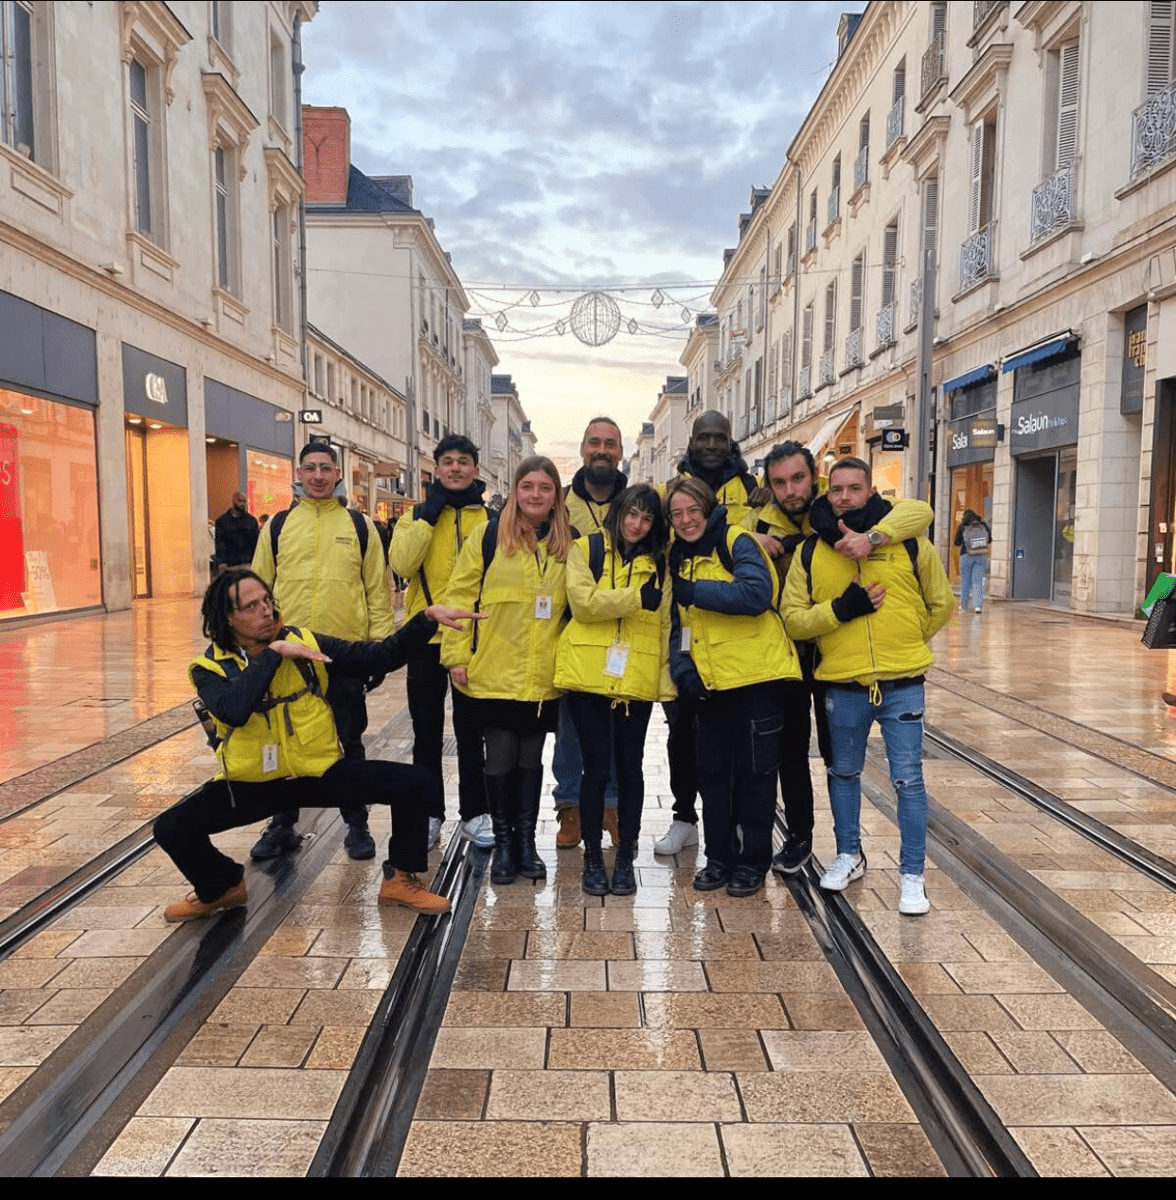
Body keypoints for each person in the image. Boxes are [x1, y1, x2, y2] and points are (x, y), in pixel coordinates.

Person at [154, 569, 480, 922]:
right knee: (171, 827)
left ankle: (400, 879)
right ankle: (221, 887)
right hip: (251, 783)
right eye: (251, 606)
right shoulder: (208, 668)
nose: (266, 610)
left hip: (317, 772)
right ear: (228, 618)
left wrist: (425, 621)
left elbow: (375, 657)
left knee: (416, 783)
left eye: (267, 600)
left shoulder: (304, 641)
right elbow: (233, 710)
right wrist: (274, 654)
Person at [744, 441, 934, 878]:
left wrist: (908, 635)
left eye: (798, 479)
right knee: (791, 749)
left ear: (816, 479)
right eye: (779, 482)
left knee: (838, 755)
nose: (790, 490)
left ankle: (851, 849)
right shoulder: (760, 519)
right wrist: (753, 538)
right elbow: (720, 535)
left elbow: (920, 512)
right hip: (786, 653)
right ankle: (801, 837)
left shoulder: (854, 509)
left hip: (838, 656)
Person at [781, 458, 954, 916]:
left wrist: (909, 639)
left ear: (870, 491)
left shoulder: (907, 540)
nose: (845, 497)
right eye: (837, 489)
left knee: (908, 778)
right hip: (843, 682)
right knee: (843, 773)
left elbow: (940, 603)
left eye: (854, 488)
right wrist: (839, 611)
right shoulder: (812, 551)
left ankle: (912, 874)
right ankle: (848, 854)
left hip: (902, 681)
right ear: (827, 493)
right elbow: (793, 619)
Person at [248, 441, 394, 862]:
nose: (317, 476)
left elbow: (376, 588)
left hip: (342, 653)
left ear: (337, 474)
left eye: (325, 468)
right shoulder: (277, 526)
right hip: (288, 652)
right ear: (299, 472)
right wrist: (255, 644)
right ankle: (282, 824)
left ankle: (357, 823)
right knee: (282, 739)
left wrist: (378, 648)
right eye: (310, 468)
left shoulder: (359, 526)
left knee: (348, 740)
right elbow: (257, 588)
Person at [666, 477, 802, 898]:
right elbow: (678, 623)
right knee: (712, 777)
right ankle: (718, 858)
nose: (686, 520)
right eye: (676, 514)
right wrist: (683, 670)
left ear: (708, 509)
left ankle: (752, 861)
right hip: (710, 683)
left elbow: (756, 594)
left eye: (693, 510)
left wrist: (694, 591)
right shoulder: (677, 556)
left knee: (755, 776)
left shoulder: (737, 541)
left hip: (756, 679)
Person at [442, 456, 572, 885]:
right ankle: (503, 843)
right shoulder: (487, 536)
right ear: (515, 491)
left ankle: (526, 843)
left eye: (545, 487)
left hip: (542, 674)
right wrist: (456, 655)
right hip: (494, 669)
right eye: (528, 486)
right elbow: (460, 596)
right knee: (499, 758)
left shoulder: (568, 544)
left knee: (531, 760)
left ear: (556, 496)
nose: (536, 495)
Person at [653, 410, 765, 857]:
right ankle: (684, 817)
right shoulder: (667, 491)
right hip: (680, 631)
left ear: (730, 439)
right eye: (705, 437)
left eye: (721, 437)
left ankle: (731, 823)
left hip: (733, 637)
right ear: (692, 441)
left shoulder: (753, 489)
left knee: (731, 741)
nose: (713, 445)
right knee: (680, 732)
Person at [555, 484, 672, 896]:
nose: (637, 525)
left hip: (635, 677)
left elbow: (664, 625)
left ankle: (624, 859)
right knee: (596, 769)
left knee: (630, 770)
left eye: (647, 518)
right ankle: (592, 858)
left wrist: (663, 685)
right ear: (618, 512)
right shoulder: (585, 549)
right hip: (587, 674)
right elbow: (583, 604)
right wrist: (635, 598)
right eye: (631, 514)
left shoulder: (659, 563)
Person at [389, 435, 493, 852]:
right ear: (436, 469)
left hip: (471, 639)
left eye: (463, 461)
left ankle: (476, 812)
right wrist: (427, 519)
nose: (455, 468)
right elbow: (401, 565)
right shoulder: (415, 516)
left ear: (475, 470)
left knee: (472, 731)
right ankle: (429, 811)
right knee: (426, 732)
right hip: (425, 638)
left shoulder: (491, 519)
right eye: (447, 461)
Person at [550, 417, 626, 850]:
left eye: (610, 444)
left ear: (620, 452)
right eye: (594, 442)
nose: (602, 450)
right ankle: (570, 806)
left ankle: (611, 806)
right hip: (571, 628)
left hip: (621, 630)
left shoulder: (635, 503)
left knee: (616, 723)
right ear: (582, 449)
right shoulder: (560, 504)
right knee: (570, 727)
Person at [954, 508, 991, 614]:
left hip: (966, 555)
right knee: (978, 581)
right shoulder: (983, 525)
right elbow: (989, 539)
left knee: (965, 581)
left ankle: (964, 606)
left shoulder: (963, 526)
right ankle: (977, 606)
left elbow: (957, 542)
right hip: (980, 555)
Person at [214, 492, 260, 573]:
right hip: (230, 565)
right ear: (233, 502)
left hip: (248, 563)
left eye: (244, 501)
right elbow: (220, 543)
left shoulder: (251, 521)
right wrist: (221, 562)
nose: (242, 504)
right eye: (239, 501)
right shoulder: (222, 521)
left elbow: (256, 542)